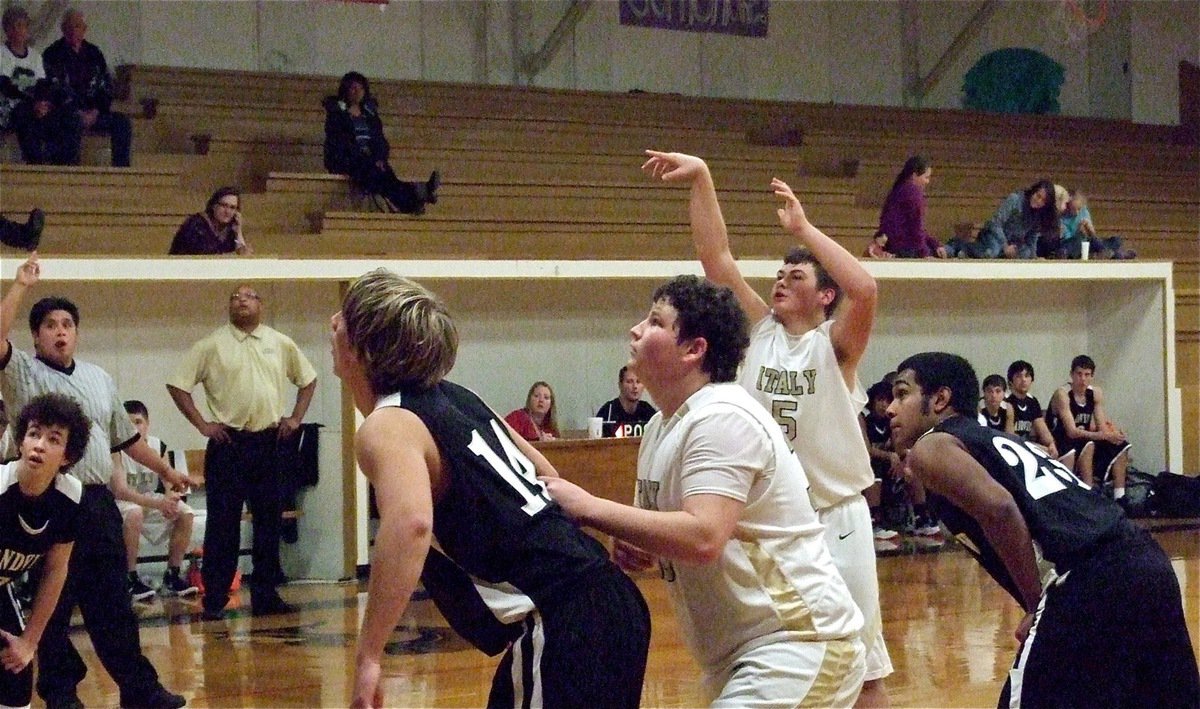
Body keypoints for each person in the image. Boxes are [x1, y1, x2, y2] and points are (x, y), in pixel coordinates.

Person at [331, 268, 650, 709]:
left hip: (563, 618)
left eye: (343, 317)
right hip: (610, 599)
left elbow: (411, 525)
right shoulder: (460, 396)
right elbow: (547, 478)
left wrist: (369, 655)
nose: (333, 322)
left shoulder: (386, 426)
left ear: (363, 346)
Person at [544, 275, 866, 707]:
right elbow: (677, 535)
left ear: (694, 349)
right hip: (740, 655)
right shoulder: (660, 426)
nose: (635, 330)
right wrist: (639, 542)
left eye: (655, 322)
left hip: (799, 644)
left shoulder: (722, 417)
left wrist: (588, 507)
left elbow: (703, 537)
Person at [643, 149, 892, 705]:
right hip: (774, 521)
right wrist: (702, 178)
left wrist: (804, 229)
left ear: (824, 295)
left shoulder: (834, 346)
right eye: (778, 273)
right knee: (777, 655)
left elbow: (866, 289)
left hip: (834, 513)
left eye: (795, 275)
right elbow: (716, 256)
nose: (780, 280)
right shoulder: (759, 332)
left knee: (863, 666)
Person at [887, 351, 1200, 708]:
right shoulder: (991, 440)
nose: (891, 409)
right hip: (1145, 559)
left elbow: (1001, 510)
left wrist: (1036, 606)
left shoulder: (932, 445)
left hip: (1090, 577)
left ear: (940, 399)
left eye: (902, 394)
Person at [0, 254, 189, 709]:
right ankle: (60, 693)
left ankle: (139, 689)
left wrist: (166, 471)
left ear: (77, 333)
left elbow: (127, 440)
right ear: (35, 335)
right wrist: (20, 285)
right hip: (44, 498)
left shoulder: (99, 378)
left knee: (113, 603)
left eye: (67, 324)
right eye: (50, 325)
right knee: (52, 602)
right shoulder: (21, 371)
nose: (60, 331)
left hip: (97, 502)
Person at [167, 284, 316, 620]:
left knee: (268, 521)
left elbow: (308, 380)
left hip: (270, 442)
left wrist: (296, 418)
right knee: (223, 524)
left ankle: (266, 593)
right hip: (228, 444)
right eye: (235, 297)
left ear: (260, 304)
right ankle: (215, 597)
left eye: (248, 296)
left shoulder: (280, 343)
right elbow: (177, 384)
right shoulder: (211, 345)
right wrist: (203, 424)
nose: (241, 301)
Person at [0, 393, 87, 709]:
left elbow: (55, 570)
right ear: (20, 443)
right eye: (34, 434)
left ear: (67, 456)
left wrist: (29, 642)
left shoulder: (69, 498)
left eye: (53, 439)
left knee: (16, 668)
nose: (39, 445)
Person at [322, 71, 439, 215]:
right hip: (345, 159)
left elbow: (380, 140)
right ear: (345, 89)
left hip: (370, 161)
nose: (357, 92)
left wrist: (380, 158)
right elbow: (341, 143)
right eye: (353, 88)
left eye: (361, 88)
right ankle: (417, 195)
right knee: (377, 174)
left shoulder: (370, 114)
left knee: (386, 173)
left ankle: (414, 200)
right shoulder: (336, 114)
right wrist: (369, 159)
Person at [116, 400, 197, 600]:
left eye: (138, 422)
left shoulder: (157, 445)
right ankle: (130, 578)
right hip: (123, 501)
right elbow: (121, 491)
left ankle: (172, 575)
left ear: (147, 424)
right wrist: (157, 504)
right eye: (130, 423)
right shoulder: (116, 447)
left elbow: (168, 483)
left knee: (185, 513)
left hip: (150, 499)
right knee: (134, 513)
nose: (134, 428)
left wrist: (172, 498)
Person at [41, 9, 131, 167]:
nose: (73, 31)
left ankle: (121, 173)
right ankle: (71, 171)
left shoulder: (94, 53)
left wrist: (96, 111)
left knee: (122, 123)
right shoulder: (52, 54)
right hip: (67, 113)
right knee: (70, 122)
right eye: (69, 27)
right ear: (63, 29)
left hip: (94, 113)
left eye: (77, 26)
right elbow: (52, 88)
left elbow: (105, 86)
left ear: (84, 29)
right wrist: (77, 111)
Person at [2, 5, 81, 166]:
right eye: (16, 26)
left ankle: (65, 165)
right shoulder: (2, 54)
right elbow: (6, 85)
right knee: (26, 114)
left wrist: (43, 104)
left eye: (23, 25)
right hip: (11, 109)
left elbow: (42, 85)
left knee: (68, 116)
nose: (20, 30)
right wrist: (33, 102)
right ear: (7, 30)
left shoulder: (35, 57)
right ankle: (35, 164)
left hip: (36, 105)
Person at [1046, 354, 1132, 498]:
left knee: (1121, 445)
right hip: (1060, 439)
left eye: (1087, 375)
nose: (1083, 379)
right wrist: (1101, 435)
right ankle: (1088, 491)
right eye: (1079, 374)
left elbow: (1101, 427)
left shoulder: (1095, 393)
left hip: (1084, 437)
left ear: (1092, 376)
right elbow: (1071, 432)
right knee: (1089, 444)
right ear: (1071, 375)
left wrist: (1113, 435)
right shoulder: (1062, 394)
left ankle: (1119, 495)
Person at [948, 180, 1057, 259]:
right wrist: (1005, 246)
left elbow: (1032, 237)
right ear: (1033, 192)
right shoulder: (1015, 199)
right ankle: (962, 246)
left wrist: (1034, 257)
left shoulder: (1039, 213)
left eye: (1043, 201)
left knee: (1026, 253)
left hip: (1013, 241)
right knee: (993, 252)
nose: (1039, 201)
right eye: (1038, 196)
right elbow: (996, 223)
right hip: (994, 236)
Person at [874, 155, 947, 258]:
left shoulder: (898, 190)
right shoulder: (913, 192)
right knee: (947, 251)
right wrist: (924, 253)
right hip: (906, 249)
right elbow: (916, 227)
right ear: (914, 175)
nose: (928, 182)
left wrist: (934, 244)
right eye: (926, 177)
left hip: (894, 246)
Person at [168, 186, 254, 256]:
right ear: (214, 206)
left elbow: (242, 255)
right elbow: (207, 256)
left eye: (232, 208)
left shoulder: (231, 230)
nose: (227, 211)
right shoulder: (195, 225)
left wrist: (238, 232)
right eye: (224, 205)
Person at [1060, 189, 1135, 259]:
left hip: (1090, 242)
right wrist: (1078, 233)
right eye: (1073, 209)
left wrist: (1090, 230)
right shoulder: (1062, 218)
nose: (1077, 213)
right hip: (1076, 245)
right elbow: (1068, 240)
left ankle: (1111, 253)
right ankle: (1112, 254)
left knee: (1115, 240)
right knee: (1074, 244)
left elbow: (1093, 236)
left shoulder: (1084, 211)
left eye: (1079, 209)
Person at [1005, 360, 1058, 458]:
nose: (1023, 380)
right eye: (1018, 376)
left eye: (1027, 376)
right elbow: (1010, 437)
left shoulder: (1032, 401)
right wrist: (1036, 447)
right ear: (1010, 381)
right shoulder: (1006, 402)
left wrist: (1051, 444)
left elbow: (1042, 429)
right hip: (1010, 449)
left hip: (1028, 447)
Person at [595, 365, 657, 437]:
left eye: (638, 382)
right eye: (629, 382)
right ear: (620, 385)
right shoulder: (608, 411)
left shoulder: (648, 411)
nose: (635, 386)